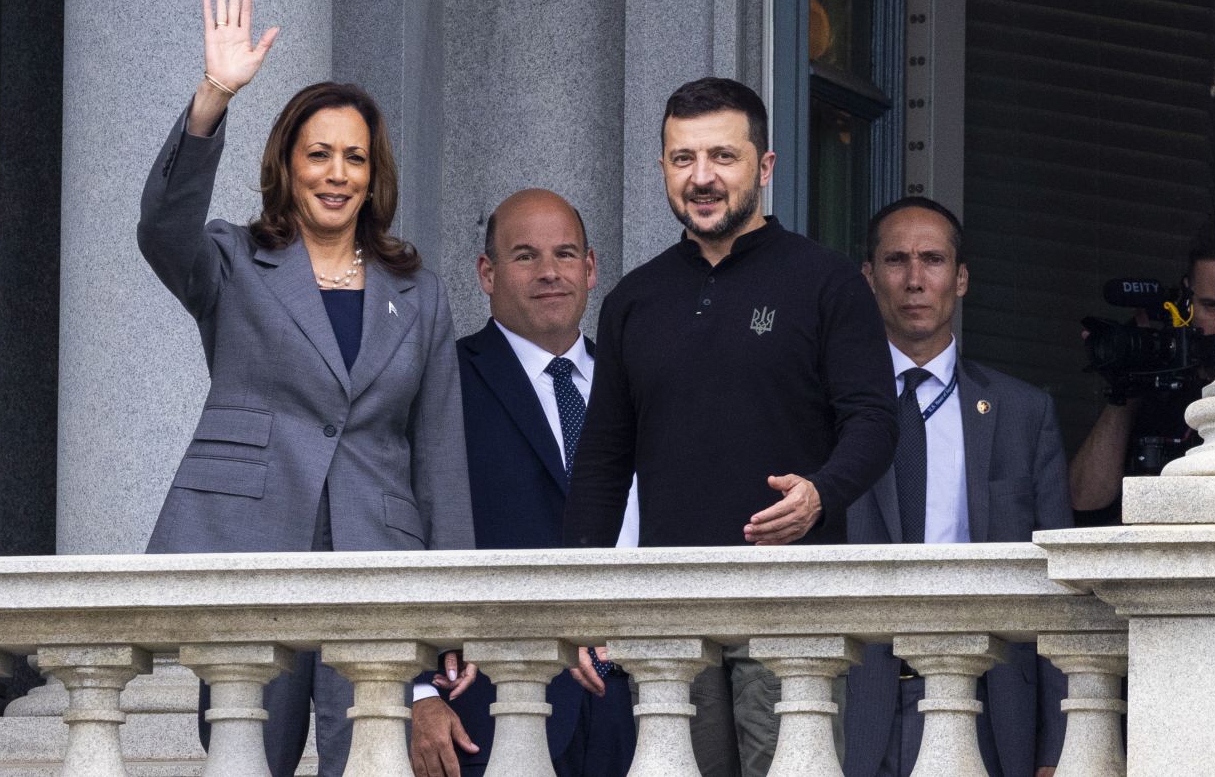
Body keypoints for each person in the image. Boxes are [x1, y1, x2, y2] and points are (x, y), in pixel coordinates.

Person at [139, 0, 474, 777]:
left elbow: (439, 458)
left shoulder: (418, 291)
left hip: (378, 556)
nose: (336, 172)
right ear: (287, 165)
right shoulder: (231, 261)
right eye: (317, 153)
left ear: (374, 171)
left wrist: (456, 604)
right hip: (252, 544)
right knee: (247, 758)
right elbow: (160, 228)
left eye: (353, 156)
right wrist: (214, 96)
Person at [562, 77, 898, 777]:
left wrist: (820, 491)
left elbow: (873, 420)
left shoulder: (827, 282)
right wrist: (585, 597)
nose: (702, 177)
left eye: (723, 156)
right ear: (661, 168)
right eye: (683, 159)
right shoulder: (633, 301)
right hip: (668, 607)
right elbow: (602, 459)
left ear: (765, 167)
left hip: (786, 601)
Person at [409, 189, 638, 777]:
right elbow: (400, 530)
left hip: (639, 701)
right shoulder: (442, 381)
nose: (549, 273)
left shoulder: (636, 382)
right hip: (492, 705)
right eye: (524, 256)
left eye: (565, 255)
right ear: (487, 273)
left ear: (590, 269)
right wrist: (418, 690)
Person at [842, 197, 1070, 777]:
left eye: (933, 260)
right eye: (896, 260)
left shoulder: (1023, 412)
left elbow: (1059, 585)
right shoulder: (829, 410)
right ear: (869, 278)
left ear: (961, 278)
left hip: (991, 706)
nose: (915, 280)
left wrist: (1056, 748)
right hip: (858, 703)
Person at [1067, 218, 1215, 524]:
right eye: (1211, 306)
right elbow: (1086, 500)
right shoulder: (1163, 377)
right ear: (1186, 297)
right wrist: (1129, 387)